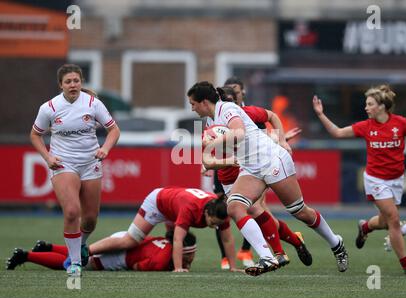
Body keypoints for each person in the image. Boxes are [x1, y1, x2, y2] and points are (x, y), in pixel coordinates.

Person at [189, 81, 348, 276]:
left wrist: (216, 143)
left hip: (272, 160)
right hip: (251, 168)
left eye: (193, 103)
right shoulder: (209, 122)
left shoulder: (227, 108)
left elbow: (239, 133)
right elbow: (207, 158)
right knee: (234, 207)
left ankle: (336, 242)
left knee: (299, 211)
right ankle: (267, 257)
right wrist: (208, 157)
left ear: (204, 102)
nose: (192, 108)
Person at [312, 85, 406, 275]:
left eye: (370, 104)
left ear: (381, 106)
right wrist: (321, 114)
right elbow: (337, 133)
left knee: (386, 220)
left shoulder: (401, 123)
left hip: (396, 179)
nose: (366, 108)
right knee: (394, 219)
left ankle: (365, 226)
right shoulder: (366, 126)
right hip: (375, 180)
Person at [29, 64, 120, 277]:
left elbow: (114, 130)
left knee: (90, 219)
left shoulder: (93, 103)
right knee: (71, 211)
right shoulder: (49, 108)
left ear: (81, 82)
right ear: (61, 85)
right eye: (68, 81)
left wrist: (105, 148)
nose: (73, 85)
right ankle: (75, 264)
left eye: (76, 81)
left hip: (90, 162)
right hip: (64, 163)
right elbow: (35, 135)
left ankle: (79, 246)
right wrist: (48, 157)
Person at [208, 86, 312, 270]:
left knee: (255, 210)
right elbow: (213, 146)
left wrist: (280, 139)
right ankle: (294, 242)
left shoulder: (247, 113)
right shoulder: (212, 118)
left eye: (236, 96)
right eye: (227, 98)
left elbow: (267, 124)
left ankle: (277, 254)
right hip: (225, 173)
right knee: (236, 212)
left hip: (250, 168)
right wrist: (210, 161)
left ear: (241, 96)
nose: (231, 103)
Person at [86, 187, 241, 273]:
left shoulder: (222, 212)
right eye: (212, 222)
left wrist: (233, 267)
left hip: (174, 207)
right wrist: (178, 269)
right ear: (207, 212)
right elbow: (178, 239)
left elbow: (227, 239)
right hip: (158, 202)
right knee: (130, 241)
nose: (214, 226)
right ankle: (85, 251)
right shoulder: (191, 208)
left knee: (172, 242)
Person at [6, 230, 196, 272]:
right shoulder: (163, 259)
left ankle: (48, 247)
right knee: (75, 264)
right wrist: (170, 268)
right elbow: (138, 266)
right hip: (119, 255)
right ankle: (26, 256)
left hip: (122, 239)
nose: (190, 259)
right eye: (188, 256)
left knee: (80, 254)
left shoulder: (167, 242)